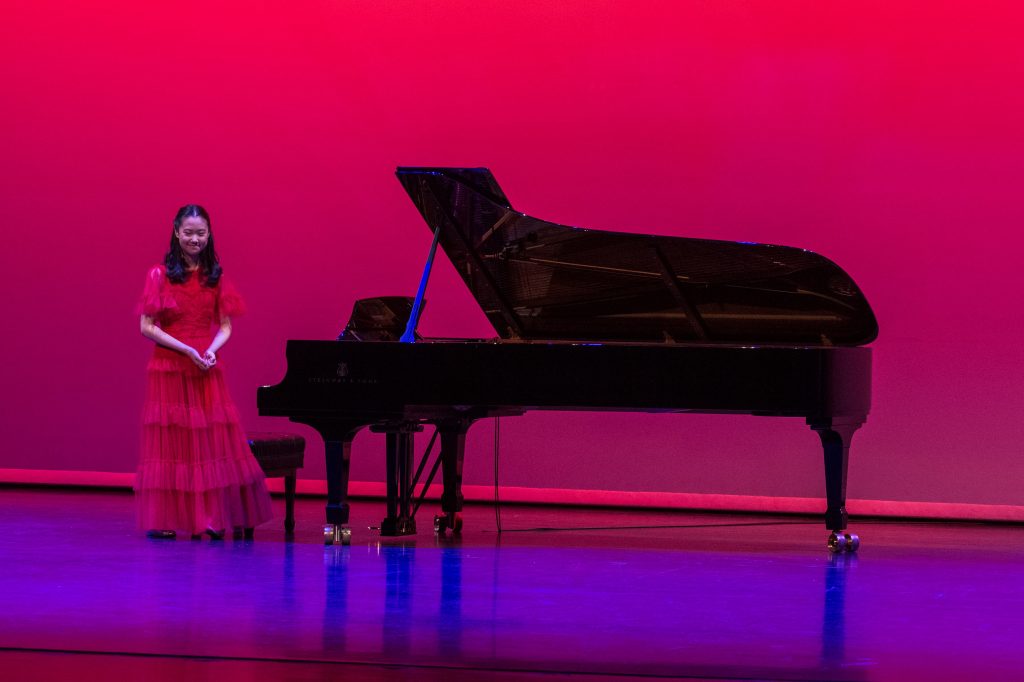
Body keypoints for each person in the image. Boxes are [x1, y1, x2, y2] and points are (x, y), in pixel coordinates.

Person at [135, 204, 272, 539]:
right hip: (171, 364)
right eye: (188, 232)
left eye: (200, 233)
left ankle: (209, 516)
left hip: (205, 364)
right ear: (176, 231)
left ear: (209, 234)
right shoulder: (159, 274)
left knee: (209, 444)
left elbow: (225, 326)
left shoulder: (215, 275)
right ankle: (169, 519)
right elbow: (146, 326)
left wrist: (210, 350)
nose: (194, 239)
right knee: (173, 443)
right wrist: (187, 350)